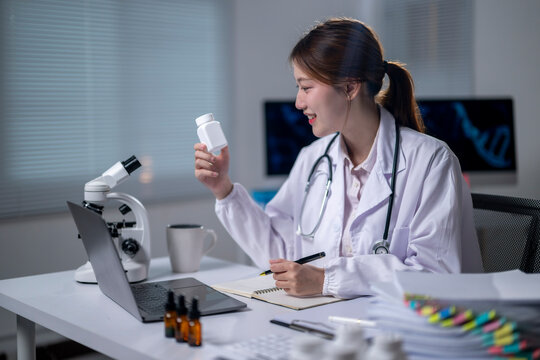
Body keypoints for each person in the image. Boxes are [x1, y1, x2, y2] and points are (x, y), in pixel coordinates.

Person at [194, 17, 482, 299]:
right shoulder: (313, 159)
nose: (298, 102)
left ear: (349, 88)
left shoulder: (431, 162)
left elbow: (436, 273)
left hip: (409, 331)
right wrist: (224, 190)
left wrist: (326, 279)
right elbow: (280, 252)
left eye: (306, 87)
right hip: (328, 323)